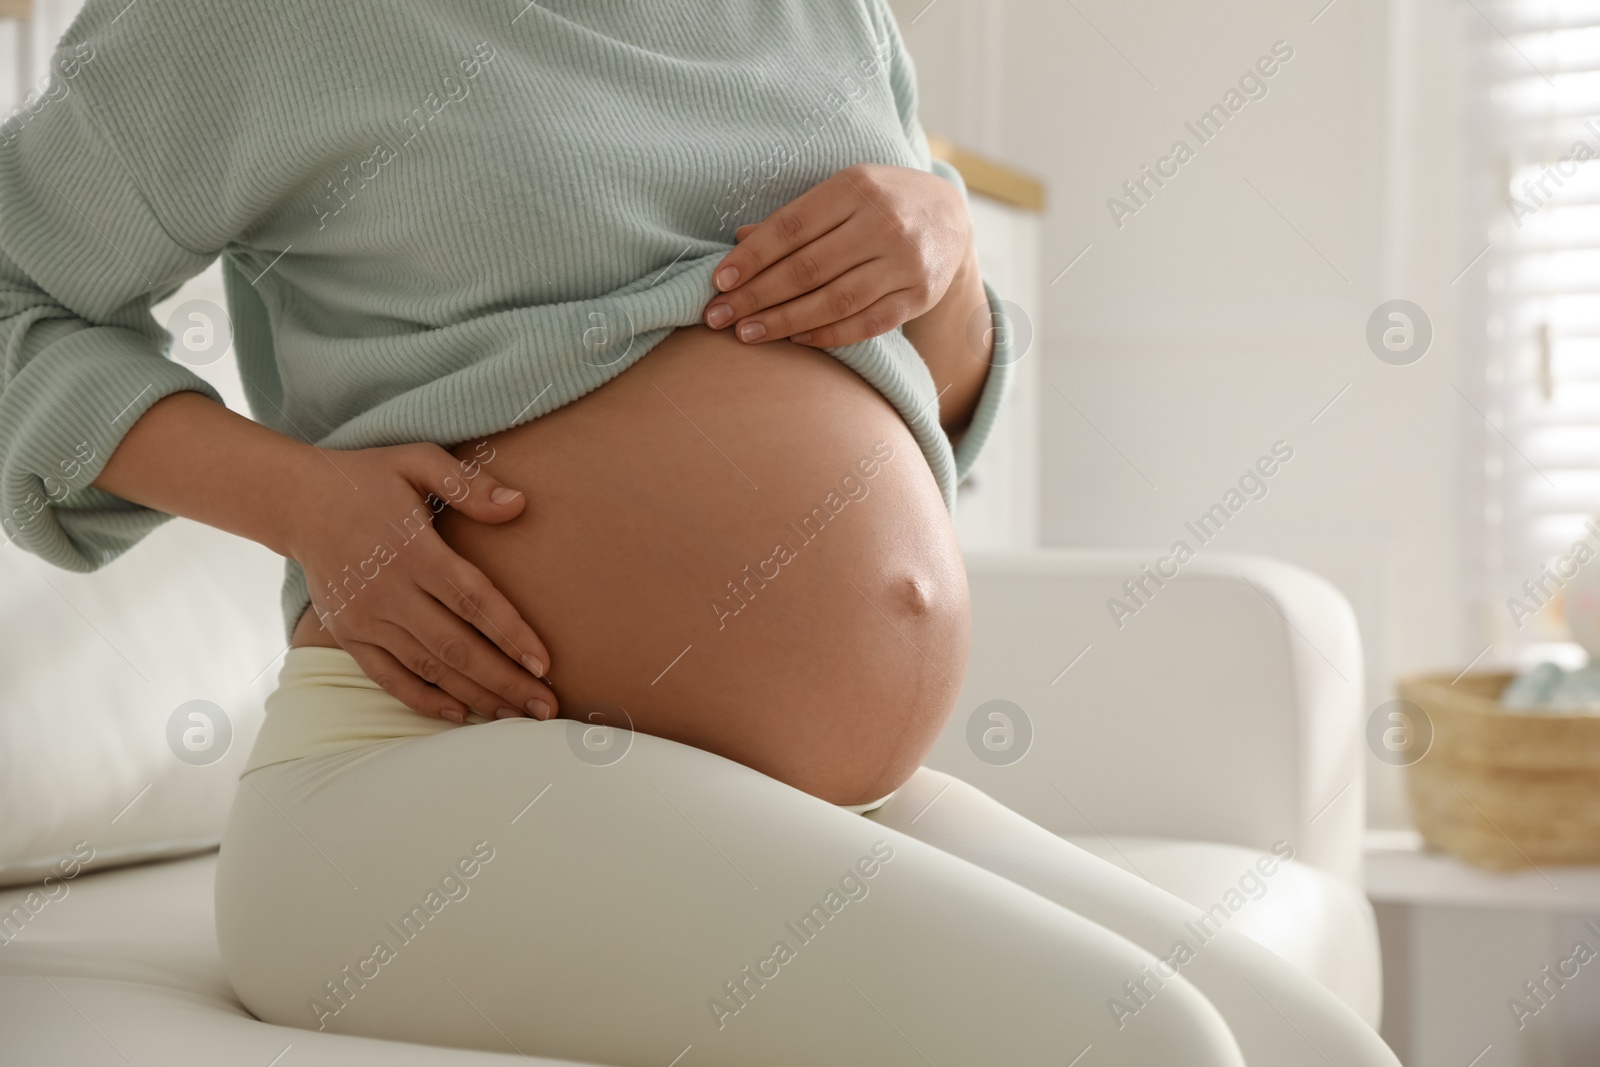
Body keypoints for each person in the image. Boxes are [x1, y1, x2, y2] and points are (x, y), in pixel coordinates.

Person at [0, 1, 1400, 1063]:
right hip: (429, 782)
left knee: (1317, 1047)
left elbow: (935, 400)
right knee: (1146, 1043)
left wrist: (946, 252)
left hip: (794, 792)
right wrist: (301, 500)